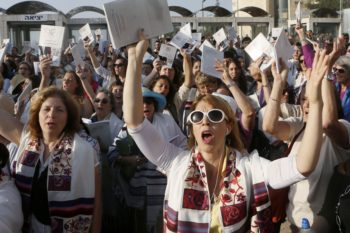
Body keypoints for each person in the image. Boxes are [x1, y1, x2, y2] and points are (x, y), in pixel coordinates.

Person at [122, 32, 327, 232]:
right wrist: (133, 61)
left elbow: (303, 166)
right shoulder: (176, 163)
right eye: (197, 117)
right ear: (192, 127)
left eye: (215, 116)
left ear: (228, 126)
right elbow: (134, 123)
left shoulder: (249, 167)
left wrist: (317, 103)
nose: (205, 122)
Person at [263, 38, 350, 231]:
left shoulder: (342, 129)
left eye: (315, 99)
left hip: (325, 224)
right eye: (305, 99)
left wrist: (325, 73)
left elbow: (327, 122)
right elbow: (269, 126)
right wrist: (278, 82)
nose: (309, 104)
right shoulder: (298, 126)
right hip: (293, 222)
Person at [0, 87, 101, 232]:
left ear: (68, 116)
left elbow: (96, 203)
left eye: (59, 110)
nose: (51, 114)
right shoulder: (27, 140)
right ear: (37, 114)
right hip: (29, 226)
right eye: (46, 109)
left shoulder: (85, 151)